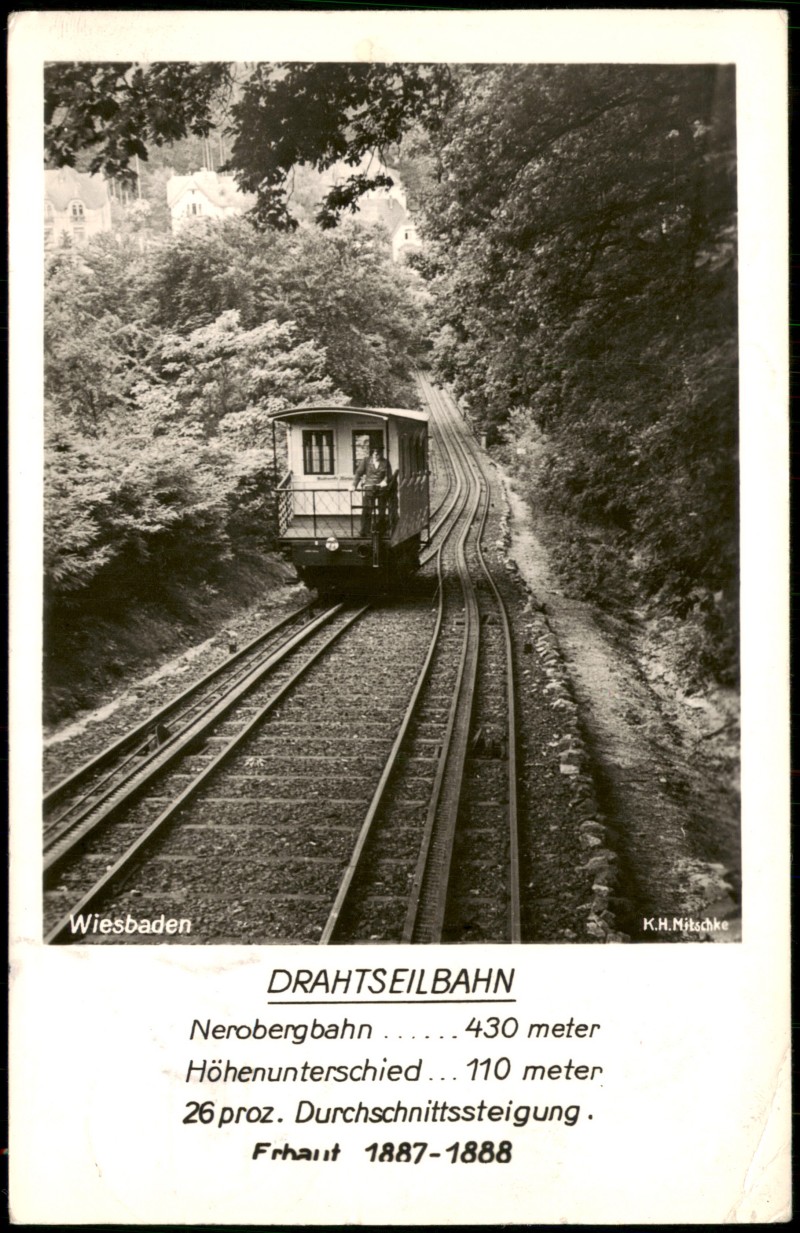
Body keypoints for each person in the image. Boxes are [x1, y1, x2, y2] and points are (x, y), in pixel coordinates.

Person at [353, 445, 392, 536]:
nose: (375, 454)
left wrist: (385, 481)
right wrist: (353, 485)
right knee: (367, 509)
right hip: (369, 488)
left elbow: (388, 475)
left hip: (381, 489)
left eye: (378, 453)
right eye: (374, 452)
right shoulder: (366, 461)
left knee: (382, 510)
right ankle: (364, 531)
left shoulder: (385, 462)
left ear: (381, 453)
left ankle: (381, 530)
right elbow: (358, 473)